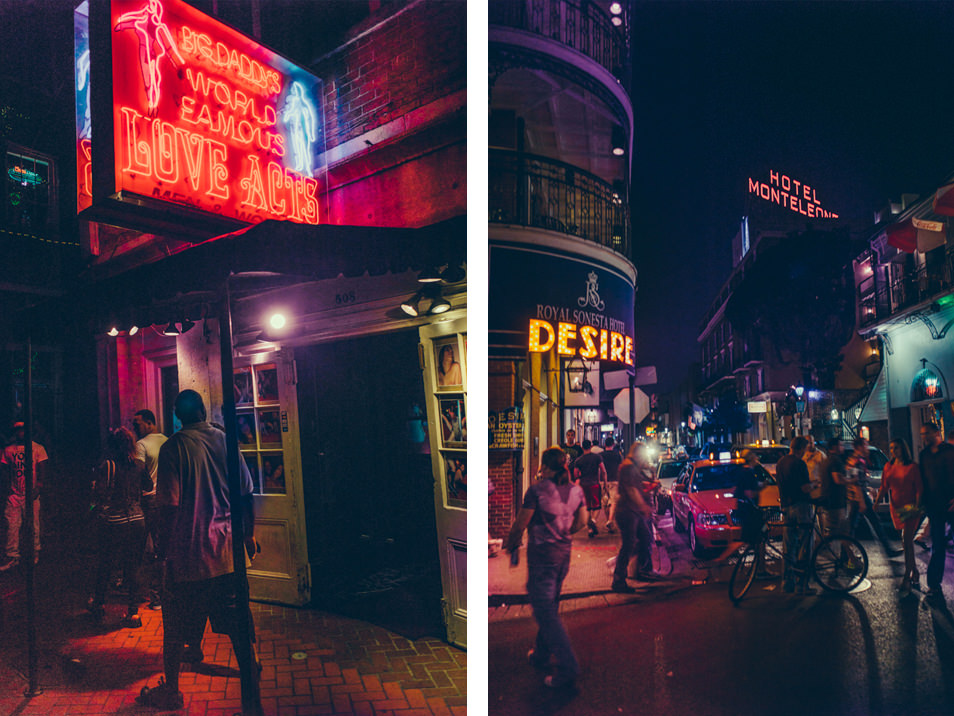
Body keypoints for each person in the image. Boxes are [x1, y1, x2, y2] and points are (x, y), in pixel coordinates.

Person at [137, 390, 259, 710]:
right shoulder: (225, 441)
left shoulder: (174, 447)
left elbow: (170, 508)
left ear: (178, 415)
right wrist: (249, 536)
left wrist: (162, 555)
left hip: (192, 554)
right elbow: (246, 495)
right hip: (230, 551)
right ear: (203, 411)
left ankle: (172, 691)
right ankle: (251, 673)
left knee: (176, 625)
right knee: (236, 620)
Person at [504, 446, 586, 689]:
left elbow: (520, 524)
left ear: (546, 467)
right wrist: (564, 534)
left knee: (545, 614)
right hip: (564, 556)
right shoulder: (575, 490)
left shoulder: (536, 491)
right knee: (550, 605)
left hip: (542, 558)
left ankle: (568, 668)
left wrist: (512, 546)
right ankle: (540, 655)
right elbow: (582, 521)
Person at [87, 427, 151, 627]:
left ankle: (98, 604)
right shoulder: (139, 465)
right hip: (137, 520)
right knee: (133, 566)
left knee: (106, 563)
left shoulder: (108, 465)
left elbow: (100, 493)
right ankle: (133, 613)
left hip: (114, 520)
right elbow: (148, 486)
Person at [875, 438, 923, 596]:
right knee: (905, 541)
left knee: (907, 541)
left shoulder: (912, 467)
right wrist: (876, 503)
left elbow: (918, 488)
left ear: (903, 449)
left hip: (910, 507)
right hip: (895, 508)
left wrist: (917, 506)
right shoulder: (888, 467)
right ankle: (914, 571)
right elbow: (884, 486)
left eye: (896, 448)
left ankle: (906, 578)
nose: (893, 450)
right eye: (891, 448)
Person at [0, 422, 48, 571]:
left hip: (30, 494)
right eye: (18, 430)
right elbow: (5, 469)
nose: (20, 433)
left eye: (23, 430)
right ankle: (13, 556)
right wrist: (8, 488)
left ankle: (34, 553)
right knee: (12, 525)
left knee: (33, 524)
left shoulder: (37, 448)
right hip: (15, 494)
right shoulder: (9, 450)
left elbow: (42, 469)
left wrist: (38, 487)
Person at [132, 409, 168, 609]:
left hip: (148, 499)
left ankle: (147, 594)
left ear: (148, 422)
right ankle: (161, 593)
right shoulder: (167, 440)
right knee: (162, 548)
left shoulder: (141, 445)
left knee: (143, 548)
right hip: (167, 498)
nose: (134, 427)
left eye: (137, 424)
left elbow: (137, 473)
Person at [612, 442, 657, 592]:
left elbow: (641, 483)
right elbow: (631, 490)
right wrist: (643, 506)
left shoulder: (633, 467)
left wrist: (651, 470)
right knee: (629, 543)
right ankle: (618, 578)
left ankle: (640, 570)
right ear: (637, 453)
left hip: (633, 511)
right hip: (628, 511)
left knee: (644, 538)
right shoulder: (628, 467)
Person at [846, 437, 900, 556]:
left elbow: (857, 480)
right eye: (865, 445)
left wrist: (868, 489)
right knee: (873, 524)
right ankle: (888, 550)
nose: (867, 447)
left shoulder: (853, 460)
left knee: (852, 527)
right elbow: (856, 483)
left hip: (857, 497)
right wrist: (862, 501)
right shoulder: (858, 461)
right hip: (858, 498)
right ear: (859, 447)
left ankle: (845, 554)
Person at [919, 422, 954, 602]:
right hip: (935, 507)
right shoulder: (924, 455)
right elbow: (923, 481)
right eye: (922, 434)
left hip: (951, 503)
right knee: (938, 546)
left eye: (926, 434)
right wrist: (923, 503)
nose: (924, 437)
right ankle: (933, 585)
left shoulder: (949, 451)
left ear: (936, 433)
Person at [775, 436, 815, 594]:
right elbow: (805, 488)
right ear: (801, 449)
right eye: (804, 449)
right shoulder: (799, 464)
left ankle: (787, 581)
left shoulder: (781, 463)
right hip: (801, 506)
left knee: (788, 546)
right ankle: (802, 584)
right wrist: (814, 485)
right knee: (805, 544)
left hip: (786, 506)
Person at [573, 440, 606, 537]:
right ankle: (593, 520)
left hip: (584, 484)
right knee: (597, 506)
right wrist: (604, 482)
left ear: (582, 447)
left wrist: (579, 477)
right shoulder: (597, 457)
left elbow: (575, 474)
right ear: (591, 446)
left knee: (587, 507)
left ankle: (590, 530)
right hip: (594, 483)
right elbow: (603, 470)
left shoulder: (578, 460)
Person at [816, 438, 848, 539]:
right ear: (835, 447)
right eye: (841, 445)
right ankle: (821, 548)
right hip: (835, 500)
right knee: (837, 530)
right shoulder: (835, 461)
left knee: (838, 530)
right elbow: (837, 479)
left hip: (829, 499)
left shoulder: (827, 460)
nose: (843, 448)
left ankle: (847, 554)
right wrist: (851, 480)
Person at [601, 437, 622, 533]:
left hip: (603, 481)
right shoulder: (617, 455)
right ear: (613, 445)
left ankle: (608, 521)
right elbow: (620, 467)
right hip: (614, 480)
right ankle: (610, 520)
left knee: (605, 502)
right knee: (613, 501)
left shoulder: (600, 455)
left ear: (605, 445)